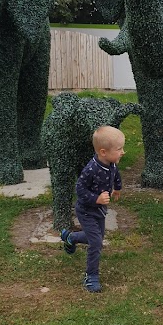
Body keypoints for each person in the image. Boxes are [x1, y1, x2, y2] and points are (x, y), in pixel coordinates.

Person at [61, 125, 125, 292]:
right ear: (103, 152)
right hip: (86, 211)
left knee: (95, 238)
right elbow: (79, 190)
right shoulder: (91, 169)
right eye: (119, 149)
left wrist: (117, 188)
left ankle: (71, 238)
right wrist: (96, 198)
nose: (122, 152)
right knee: (96, 242)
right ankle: (91, 276)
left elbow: (115, 175)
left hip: (99, 211)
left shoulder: (111, 164)